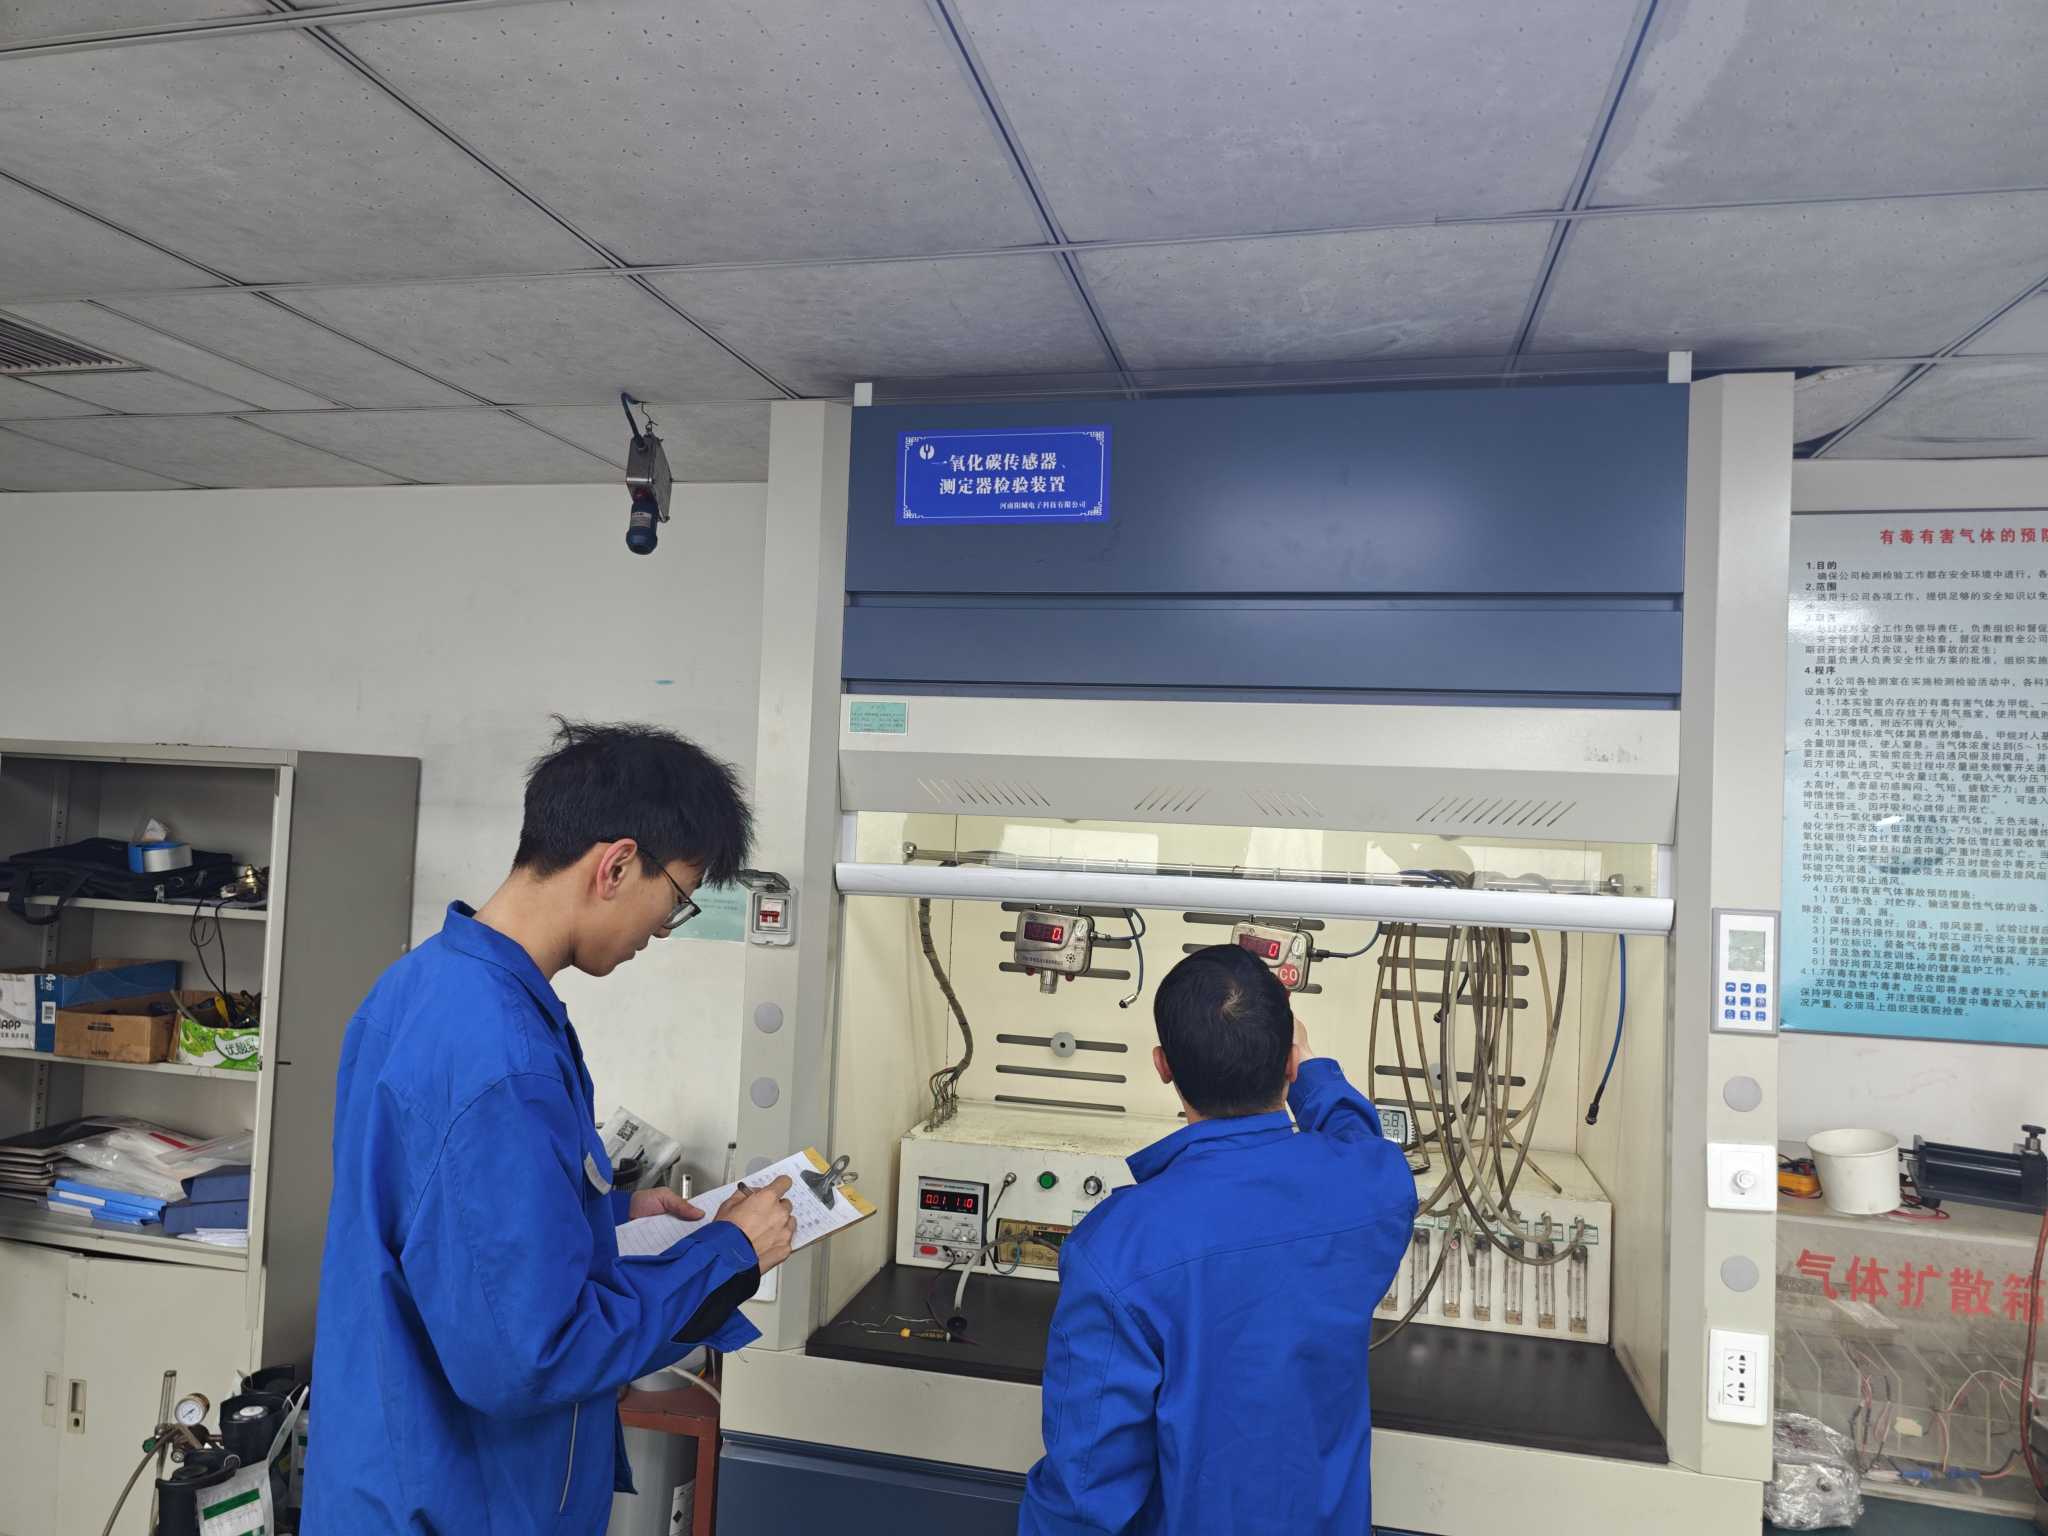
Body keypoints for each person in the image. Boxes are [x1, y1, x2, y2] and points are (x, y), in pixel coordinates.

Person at [304, 719, 797, 1533]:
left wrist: (604, 1215)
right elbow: (532, 1356)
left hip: (386, 1470)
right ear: (616, 866)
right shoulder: (504, 1057)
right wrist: (726, 1253)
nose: (660, 931)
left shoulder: (422, 985)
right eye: (675, 900)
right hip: (459, 1503)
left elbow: (435, 1216)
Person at [1019, 943, 1417, 1535]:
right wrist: (1311, 1067)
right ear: (1288, 1063)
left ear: (1164, 1066)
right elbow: (1357, 1138)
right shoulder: (1372, 1188)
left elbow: (1084, 1492)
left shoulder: (1116, 1248)